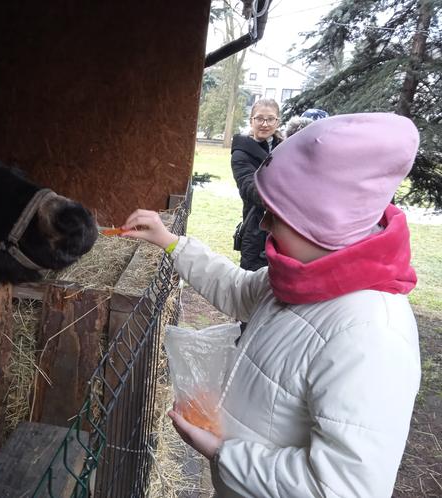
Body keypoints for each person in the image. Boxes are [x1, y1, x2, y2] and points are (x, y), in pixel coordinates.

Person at [120, 113, 421, 497]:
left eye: (274, 215)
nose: (261, 224)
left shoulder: (371, 335)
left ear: (318, 222)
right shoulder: (304, 277)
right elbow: (237, 289)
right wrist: (173, 243)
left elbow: (342, 487)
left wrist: (221, 453)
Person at [231, 98, 282, 271]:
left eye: (270, 119)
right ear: (251, 120)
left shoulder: (285, 148)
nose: (265, 124)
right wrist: (287, 198)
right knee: (252, 285)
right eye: (259, 118)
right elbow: (249, 188)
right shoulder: (241, 153)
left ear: (278, 121)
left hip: (285, 230)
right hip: (256, 228)